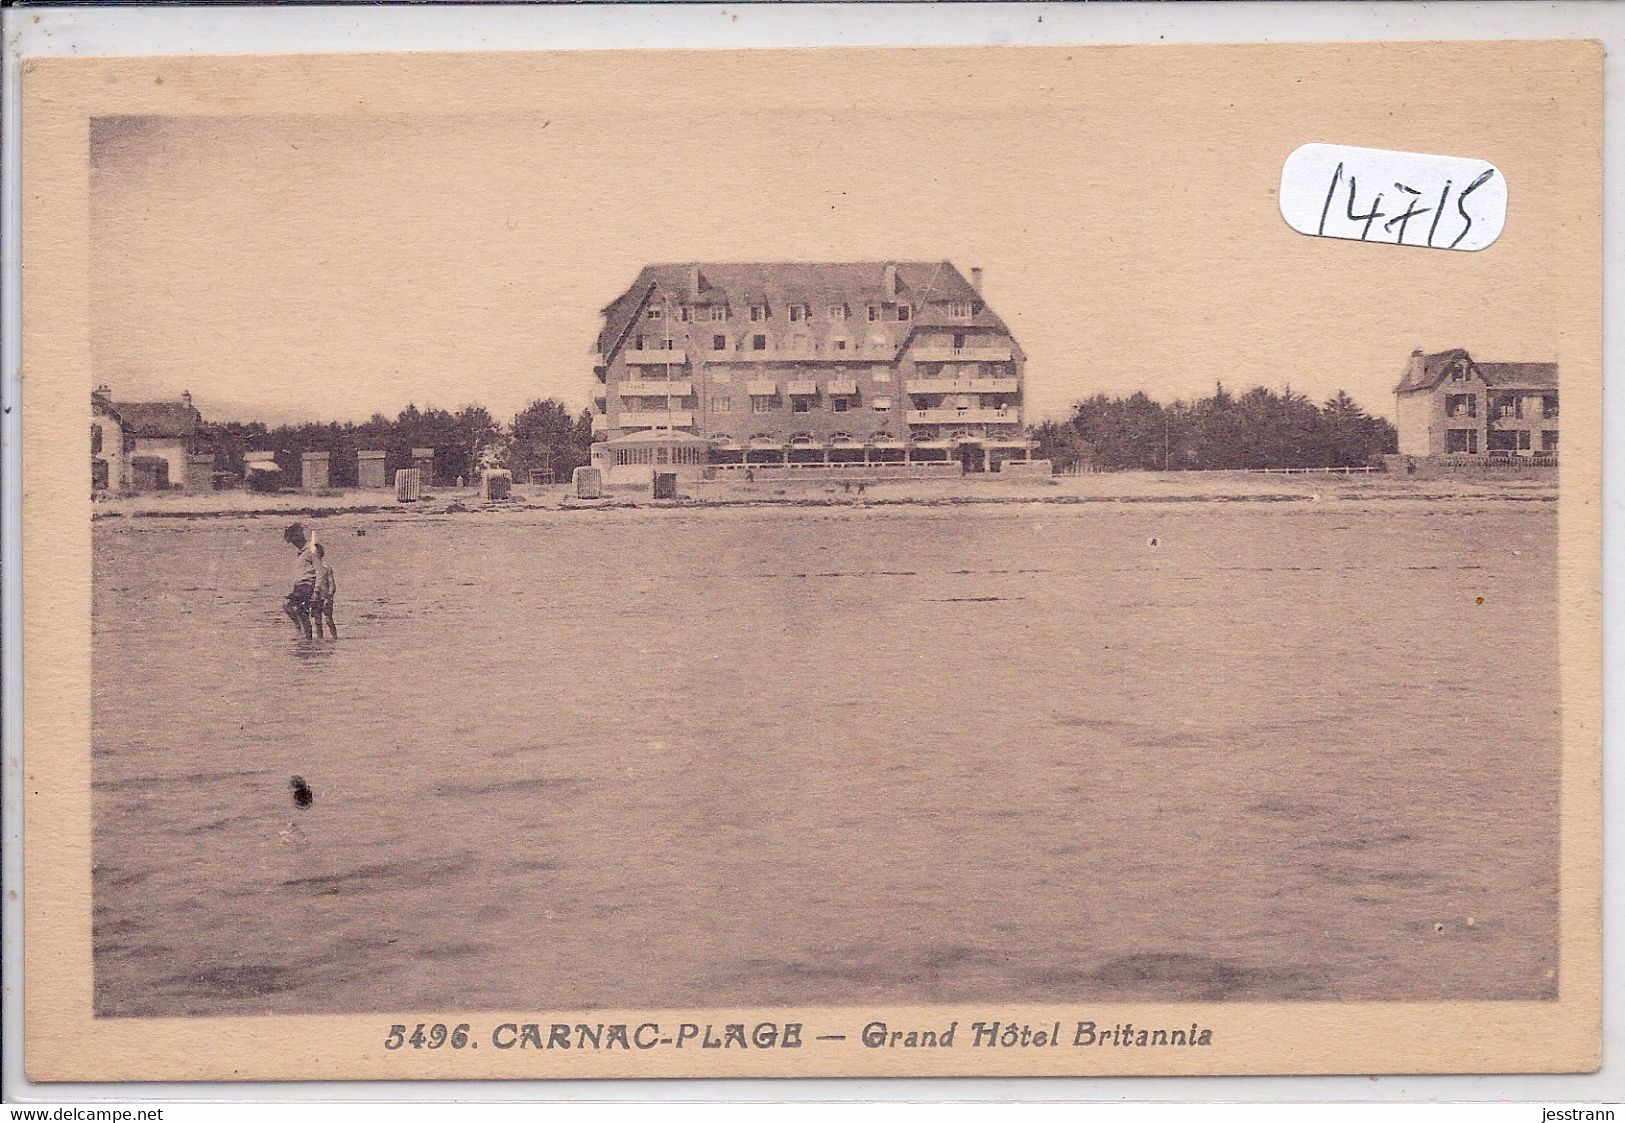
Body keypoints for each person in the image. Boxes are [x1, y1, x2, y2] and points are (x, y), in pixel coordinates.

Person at [282, 523, 318, 639]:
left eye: (293, 540)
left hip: (307, 586)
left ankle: (303, 633)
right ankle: (305, 636)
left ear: (298, 536)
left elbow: (319, 569)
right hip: (300, 586)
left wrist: (317, 590)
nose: (293, 543)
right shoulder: (302, 552)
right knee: (301, 612)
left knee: (291, 607)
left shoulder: (311, 549)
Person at [311, 542, 338, 638]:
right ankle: (319, 641)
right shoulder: (310, 569)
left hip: (326, 597)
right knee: (317, 621)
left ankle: (335, 638)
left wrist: (329, 597)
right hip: (315, 598)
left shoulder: (326, 568)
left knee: (328, 619)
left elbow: (332, 585)